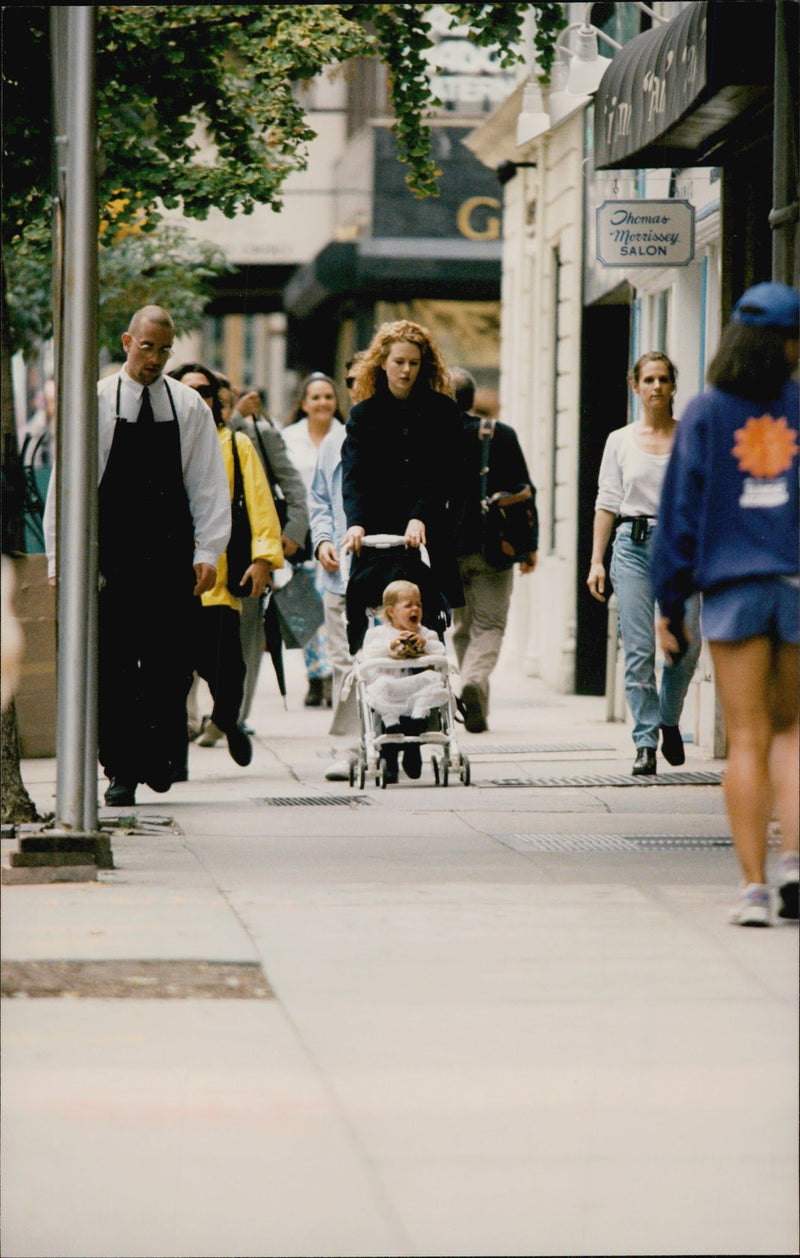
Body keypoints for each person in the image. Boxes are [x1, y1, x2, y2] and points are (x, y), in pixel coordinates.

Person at [652, 282, 799, 927]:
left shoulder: (708, 414)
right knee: (793, 733)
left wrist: (669, 600)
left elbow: (677, 515)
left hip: (733, 589)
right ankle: (795, 862)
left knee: (746, 737)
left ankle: (753, 892)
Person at [43, 306, 231, 807]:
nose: (155, 359)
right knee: (115, 666)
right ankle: (121, 769)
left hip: (171, 554)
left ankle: (160, 752)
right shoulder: (95, 401)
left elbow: (208, 484)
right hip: (111, 556)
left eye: (165, 350)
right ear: (128, 341)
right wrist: (61, 562)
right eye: (147, 347)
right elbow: (67, 487)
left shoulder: (189, 406)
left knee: (173, 664)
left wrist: (208, 550)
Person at [587, 351, 702, 776]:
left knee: (686, 645)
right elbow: (606, 502)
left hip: (680, 549)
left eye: (663, 379)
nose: (656, 387)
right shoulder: (619, 440)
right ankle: (644, 742)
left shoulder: (690, 436)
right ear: (635, 386)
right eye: (648, 379)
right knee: (637, 650)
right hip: (631, 545)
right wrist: (596, 561)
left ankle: (669, 719)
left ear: (674, 386)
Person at [169, 363, 283, 768]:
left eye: (205, 391)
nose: (197, 397)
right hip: (168, 582)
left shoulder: (236, 445)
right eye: (187, 390)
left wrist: (263, 560)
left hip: (217, 581)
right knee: (172, 676)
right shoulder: (159, 441)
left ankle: (226, 720)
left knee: (228, 674)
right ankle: (172, 759)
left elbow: (260, 506)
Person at [341, 320, 464, 653]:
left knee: (429, 618)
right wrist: (355, 522)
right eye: (399, 362)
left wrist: (421, 515)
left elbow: (444, 474)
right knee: (370, 611)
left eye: (413, 362)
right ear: (383, 363)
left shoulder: (442, 412)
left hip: (425, 530)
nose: (406, 370)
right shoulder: (363, 416)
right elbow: (354, 475)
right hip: (376, 531)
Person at [216, 376, 309, 732]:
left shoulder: (258, 436)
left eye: (225, 404)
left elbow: (293, 489)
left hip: (248, 551)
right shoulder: (187, 437)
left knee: (246, 638)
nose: (220, 411)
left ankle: (233, 717)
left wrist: (291, 534)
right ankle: (190, 716)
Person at [450, 367, 538, 733]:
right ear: (471, 398)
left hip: (447, 550)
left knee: (462, 627)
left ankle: (477, 705)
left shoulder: (428, 436)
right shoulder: (498, 433)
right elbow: (525, 490)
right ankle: (471, 684)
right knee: (489, 625)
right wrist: (528, 547)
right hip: (493, 548)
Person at [308, 361, 364, 780]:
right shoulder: (334, 441)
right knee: (344, 662)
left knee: (386, 660)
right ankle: (349, 747)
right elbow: (321, 500)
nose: (356, 388)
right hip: (339, 572)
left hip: (386, 564)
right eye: (351, 382)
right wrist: (324, 540)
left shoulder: (398, 433)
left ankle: (390, 736)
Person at [282, 372, 345, 707]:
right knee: (304, 608)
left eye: (328, 397)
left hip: (337, 533)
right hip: (299, 534)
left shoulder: (347, 436)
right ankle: (315, 676)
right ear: (304, 403)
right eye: (316, 397)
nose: (323, 403)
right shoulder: (288, 438)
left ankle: (335, 673)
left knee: (334, 606)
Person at [359, 579, 448, 783]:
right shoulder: (377, 634)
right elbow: (368, 654)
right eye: (408, 605)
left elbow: (440, 651)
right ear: (391, 611)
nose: (415, 608)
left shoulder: (425, 633)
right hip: (390, 691)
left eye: (418, 604)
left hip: (415, 693)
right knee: (377, 685)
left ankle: (416, 727)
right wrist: (390, 646)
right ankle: (389, 755)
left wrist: (425, 645)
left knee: (435, 679)